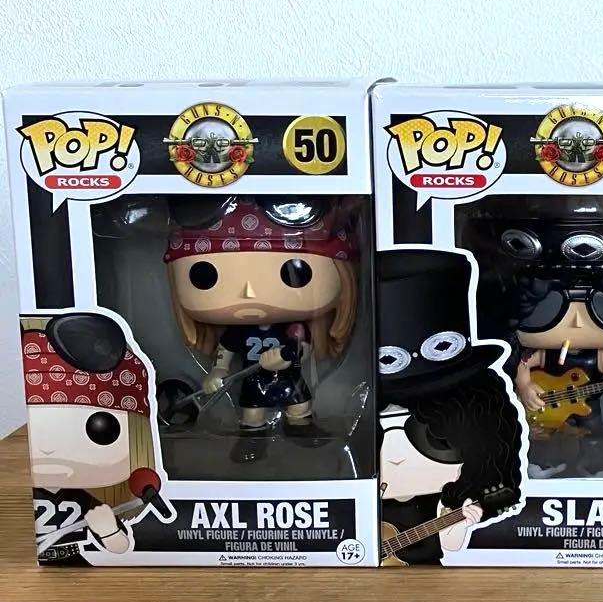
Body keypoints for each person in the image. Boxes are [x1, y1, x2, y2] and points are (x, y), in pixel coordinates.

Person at [165, 195, 358, 444]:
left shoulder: (293, 328)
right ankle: (252, 439)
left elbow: (304, 350)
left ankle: (300, 428)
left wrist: (287, 358)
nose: (249, 293)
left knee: (299, 408)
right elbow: (225, 353)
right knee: (252, 414)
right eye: (205, 275)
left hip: (289, 379)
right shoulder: (239, 332)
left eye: (295, 270)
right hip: (254, 381)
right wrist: (217, 371)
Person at [377, 249, 524, 565]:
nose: (397, 456)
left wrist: (457, 522)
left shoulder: (450, 498)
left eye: (433, 439)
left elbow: (453, 547)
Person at [24, 313, 157, 564]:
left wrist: (108, 531)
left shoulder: (83, 499)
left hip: (77, 564)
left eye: (101, 430)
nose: (50, 447)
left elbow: (121, 547)